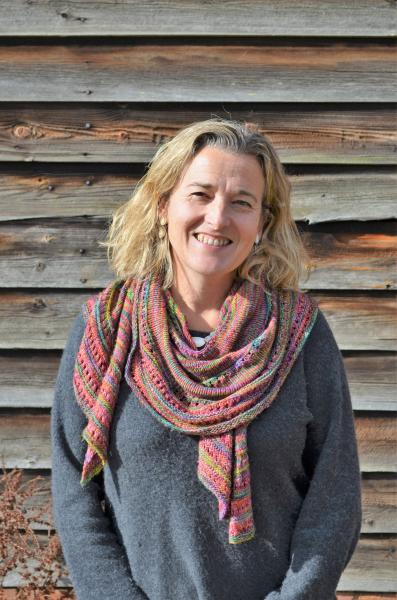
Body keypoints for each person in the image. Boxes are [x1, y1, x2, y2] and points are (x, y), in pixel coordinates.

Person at [51, 118, 362, 600]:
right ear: (162, 205)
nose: (218, 218)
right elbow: (75, 491)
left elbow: (335, 497)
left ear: (261, 224)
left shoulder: (299, 336)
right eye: (200, 194)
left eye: (242, 202)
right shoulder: (106, 330)